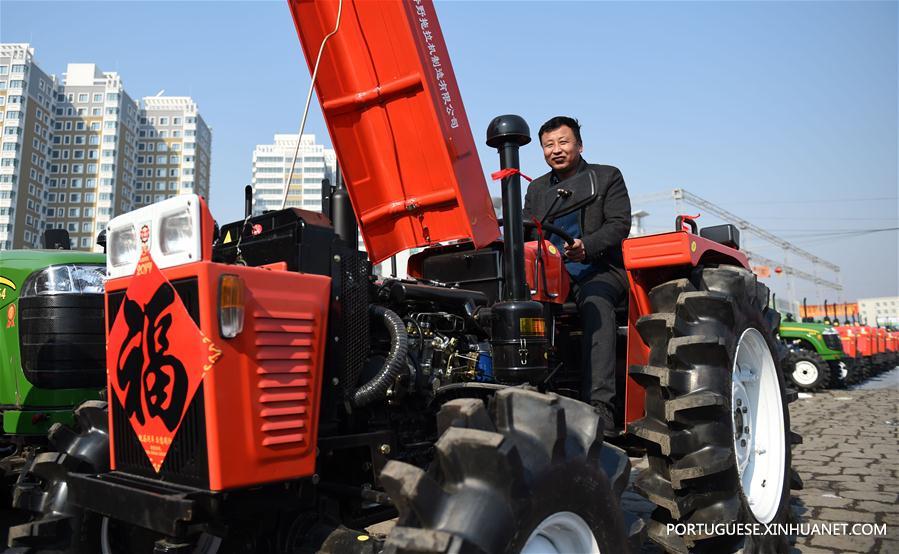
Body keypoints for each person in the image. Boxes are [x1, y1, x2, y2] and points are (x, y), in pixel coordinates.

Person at [522, 116, 632, 435]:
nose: (556, 150)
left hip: (597, 269)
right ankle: (532, 397)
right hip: (551, 276)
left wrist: (587, 247)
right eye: (548, 145)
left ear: (580, 145)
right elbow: (528, 234)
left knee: (596, 305)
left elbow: (618, 225)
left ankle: (601, 408)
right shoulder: (537, 189)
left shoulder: (606, 176)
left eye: (563, 142)